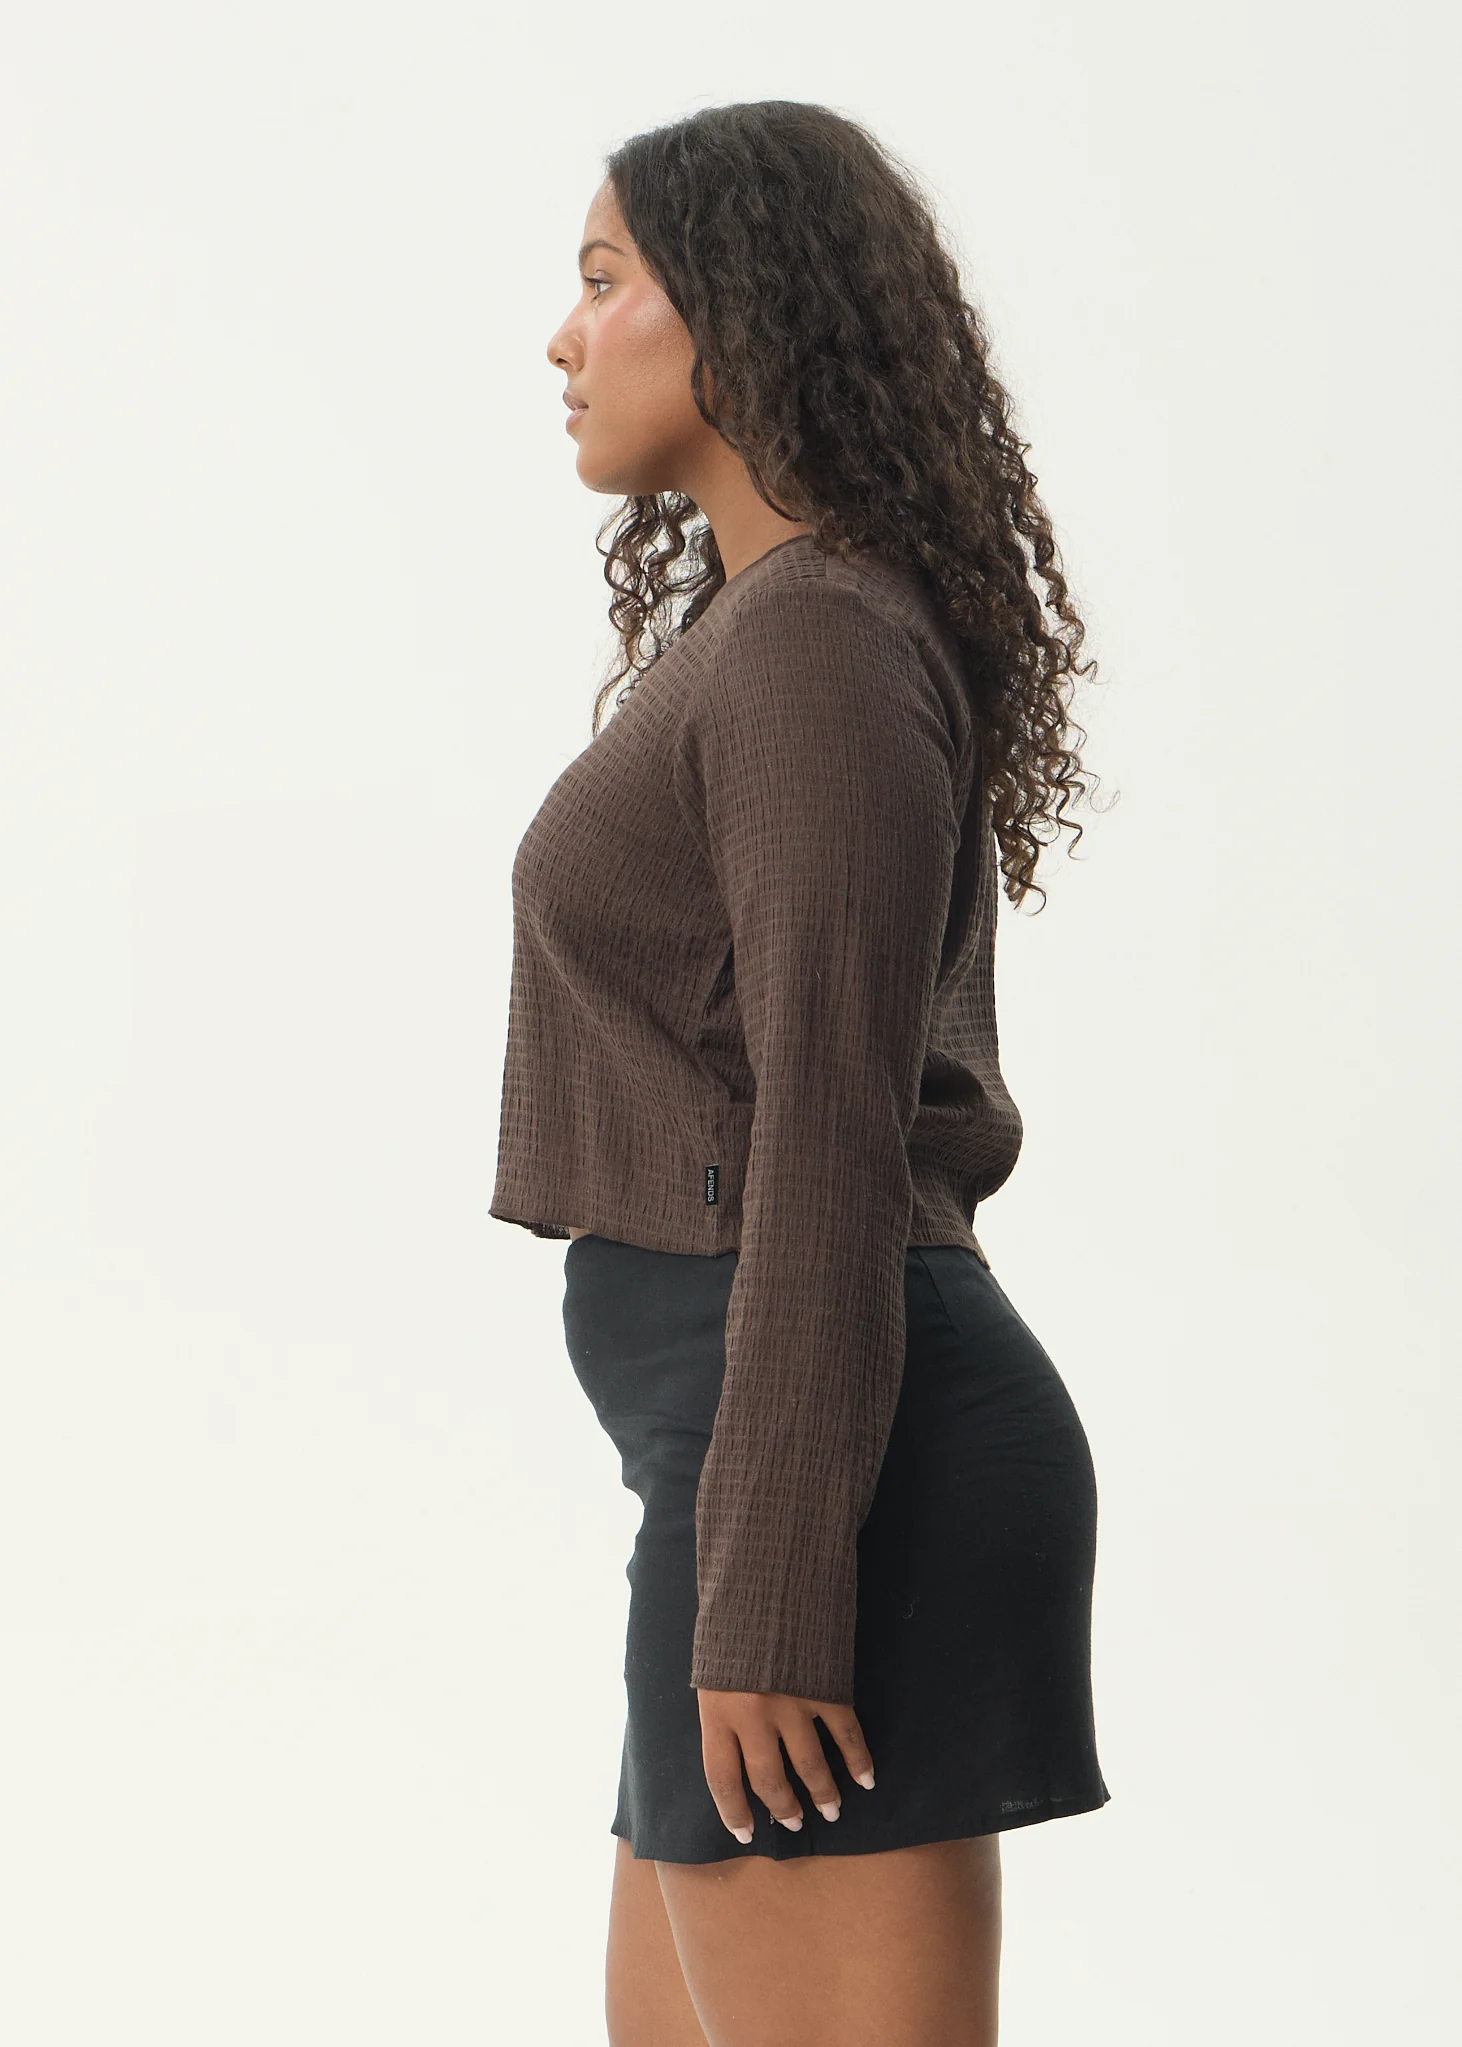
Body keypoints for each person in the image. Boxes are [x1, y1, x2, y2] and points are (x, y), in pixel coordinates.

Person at [490, 98, 1113, 2047]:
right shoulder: (768, 628)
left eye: (604, 281)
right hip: (757, 1464)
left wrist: (768, 1594)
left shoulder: (813, 646)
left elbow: (829, 1147)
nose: (561, 335)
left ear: (739, 311)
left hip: (831, 1484)